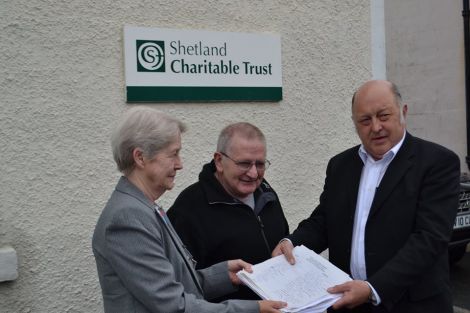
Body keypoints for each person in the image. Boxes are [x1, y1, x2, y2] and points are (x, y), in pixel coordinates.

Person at [273, 80, 460, 313]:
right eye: (365, 120)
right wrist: (291, 242)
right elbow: (324, 221)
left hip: (412, 305)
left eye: (383, 116)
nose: (375, 127)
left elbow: (430, 239)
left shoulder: (437, 163)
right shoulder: (340, 165)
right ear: (354, 124)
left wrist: (373, 288)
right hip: (349, 303)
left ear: (403, 113)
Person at [92, 107, 286, 313]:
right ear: (140, 158)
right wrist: (255, 309)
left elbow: (179, 283)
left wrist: (223, 275)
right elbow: (174, 305)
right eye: (173, 154)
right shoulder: (128, 218)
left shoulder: (142, 207)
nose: (179, 164)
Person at [167, 122, 289, 301]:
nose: (254, 174)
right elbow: (181, 285)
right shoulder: (189, 208)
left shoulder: (266, 193)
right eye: (244, 163)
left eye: (260, 164)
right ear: (219, 161)